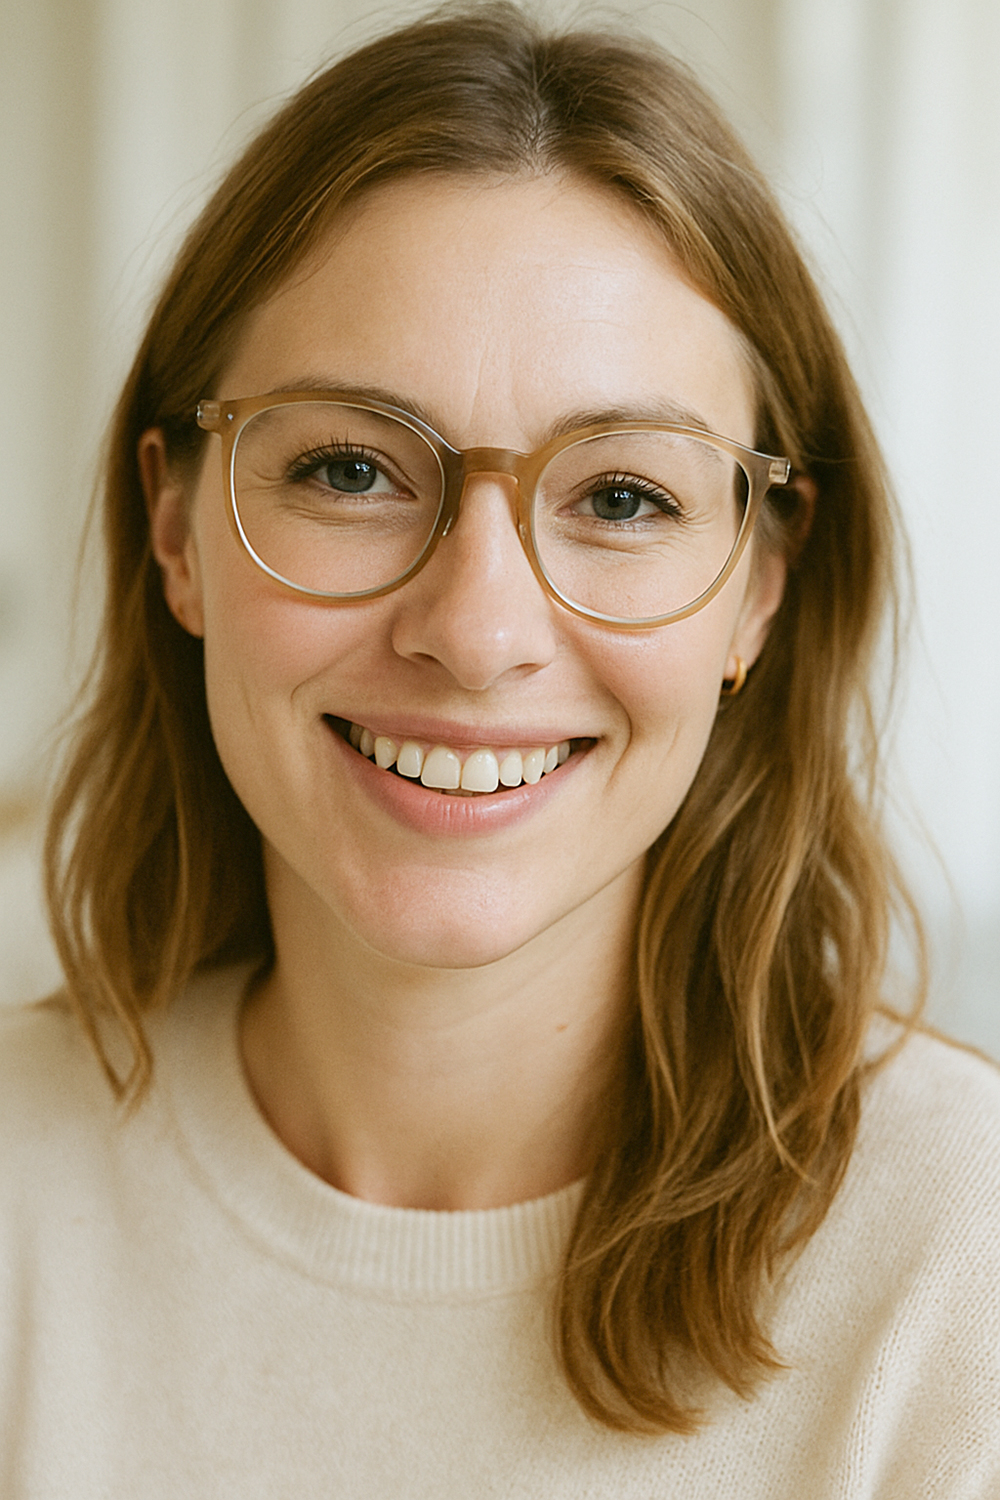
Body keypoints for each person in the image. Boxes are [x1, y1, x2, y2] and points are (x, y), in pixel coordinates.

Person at [3, 3, 998, 1494]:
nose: (476, 632)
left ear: (762, 587)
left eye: (623, 499)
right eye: (350, 468)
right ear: (176, 530)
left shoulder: (959, 1263)